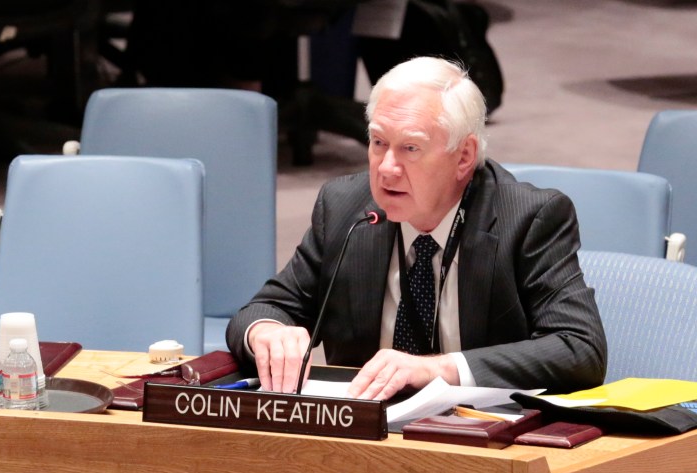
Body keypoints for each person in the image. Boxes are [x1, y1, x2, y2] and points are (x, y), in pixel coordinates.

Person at [226, 56, 607, 400]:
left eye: (410, 149)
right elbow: (265, 308)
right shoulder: (345, 208)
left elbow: (579, 348)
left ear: (464, 157)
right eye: (378, 142)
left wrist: (436, 370)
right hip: (364, 437)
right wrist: (267, 333)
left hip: (480, 440)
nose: (387, 168)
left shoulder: (527, 219)